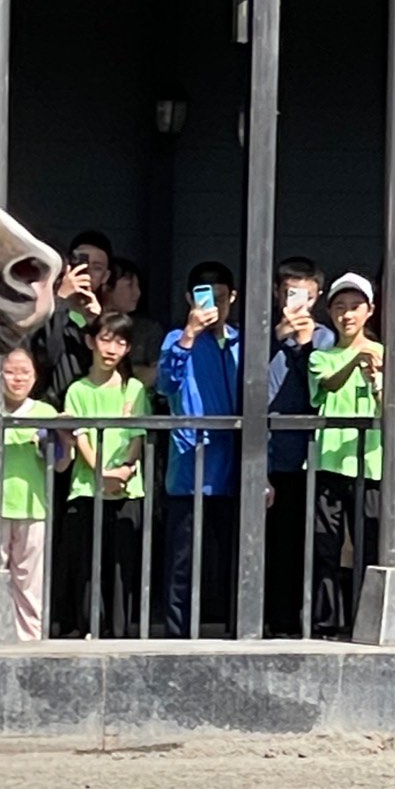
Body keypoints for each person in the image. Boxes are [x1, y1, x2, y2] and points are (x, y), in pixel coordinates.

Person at [155, 260, 240, 635]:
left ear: (233, 298)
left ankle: (235, 630)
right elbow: (165, 385)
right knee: (182, 560)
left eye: (222, 299)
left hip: (235, 465)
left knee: (233, 557)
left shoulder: (242, 342)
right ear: (191, 300)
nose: (215, 308)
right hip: (190, 467)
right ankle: (177, 633)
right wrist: (189, 335)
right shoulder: (178, 339)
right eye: (207, 299)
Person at [56, 310, 150, 636]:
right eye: (106, 340)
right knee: (85, 565)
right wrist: (101, 473)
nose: (111, 349)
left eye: (120, 342)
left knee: (122, 565)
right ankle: (85, 627)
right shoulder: (77, 390)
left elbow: (138, 437)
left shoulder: (134, 389)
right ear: (90, 342)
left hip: (127, 486)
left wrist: (124, 470)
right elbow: (80, 435)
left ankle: (120, 631)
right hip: (86, 486)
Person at [308, 274, 384, 638]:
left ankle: (363, 621)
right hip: (330, 464)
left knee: (370, 546)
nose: (347, 315)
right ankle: (326, 621)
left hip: (371, 465)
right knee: (326, 546)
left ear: (369, 311)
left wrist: (379, 380)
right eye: (339, 307)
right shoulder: (321, 356)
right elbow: (326, 385)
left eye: (354, 307)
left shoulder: (387, 355)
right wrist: (356, 359)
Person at [262, 259, 334, 635]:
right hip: (267, 454)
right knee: (271, 545)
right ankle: (271, 621)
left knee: (311, 545)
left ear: (316, 295)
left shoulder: (325, 338)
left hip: (310, 456)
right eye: (290, 292)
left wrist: (305, 346)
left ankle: (311, 622)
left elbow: (318, 391)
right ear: (278, 293)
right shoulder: (262, 336)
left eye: (305, 293)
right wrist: (278, 336)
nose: (297, 302)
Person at [0, 344, 67, 641]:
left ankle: (28, 638)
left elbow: (62, 465)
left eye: (24, 372)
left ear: (35, 377)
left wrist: (64, 434)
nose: (17, 379)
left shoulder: (45, 412)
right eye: (10, 371)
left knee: (29, 580)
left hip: (34, 505)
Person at [31, 228, 110, 405]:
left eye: (97, 268)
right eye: (81, 263)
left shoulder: (108, 319)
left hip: (93, 413)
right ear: (67, 267)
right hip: (51, 413)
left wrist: (96, 324)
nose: (87, 272)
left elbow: (115, 367)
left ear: (106, 276)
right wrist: (61, 299)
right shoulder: (42, 310)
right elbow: (47, 357)